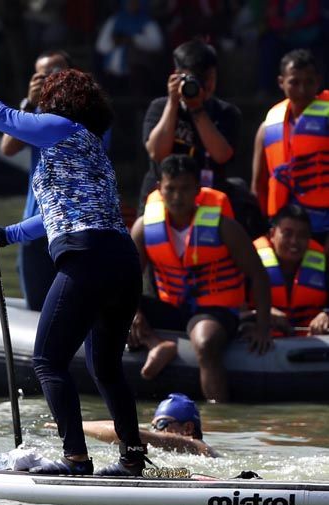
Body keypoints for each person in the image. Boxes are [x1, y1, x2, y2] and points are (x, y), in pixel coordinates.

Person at [0, 58, 149, 477]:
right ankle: (132, 459)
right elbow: (55, 213)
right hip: (124, 262)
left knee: (47, 361)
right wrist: (8, 234)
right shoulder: (93, 147)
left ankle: (76, 459)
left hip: (88, 258)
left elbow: (2, 117)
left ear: (59, 102)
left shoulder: (59, 127)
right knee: (106, 369)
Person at [129, 154, 272, 402]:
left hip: (214, 310)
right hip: (172, 307)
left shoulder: (224, 227)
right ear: (159, 189)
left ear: (198, 189)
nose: (177, 196)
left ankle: (218, 414)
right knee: (111, 309)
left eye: (185, 189)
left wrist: (263, 327)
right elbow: (125, 281)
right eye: (171, 189)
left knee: (205, 342)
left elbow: (258, 275)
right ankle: (157, 345)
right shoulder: (143, 228)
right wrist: (135, 313)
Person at [138, 39, 265, 240]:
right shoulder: (159, 108)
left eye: (207, 78)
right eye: (193, 78)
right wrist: (173, 103)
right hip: (162, 201)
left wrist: (197, 109)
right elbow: (157, 152)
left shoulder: (226, 112)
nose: (203, 85)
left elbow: (221, 155)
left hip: (209, 202)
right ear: (176, 75)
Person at [0, 50, 73, 312]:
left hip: (72, 226)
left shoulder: (90, 113)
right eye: (43, 74)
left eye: (57, 71)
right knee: (36, 306)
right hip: (35, 224)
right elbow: (8, 148)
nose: (50, 78)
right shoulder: (34, 113)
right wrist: (29, 104)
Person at [251, 49, 329, 249]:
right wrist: (263, 227)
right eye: (294, 82)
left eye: (309, 82)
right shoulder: (268, 127)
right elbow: (258, 185)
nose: (302, 89)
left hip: (323, 226)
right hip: (284, 230)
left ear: (318, 82)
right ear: (281, 82)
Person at [245, 204, 329, 336]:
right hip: (264, 342)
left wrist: (326, 314)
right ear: (272, 234)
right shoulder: (250, 259)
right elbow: (233, 311)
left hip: (313, 342)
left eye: (302, 235)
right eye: (287, 234)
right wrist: (261, 313)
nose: (294, 241)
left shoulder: (324, 261)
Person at [49, 393, 218, 457]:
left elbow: (125, 434)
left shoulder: (196, 446)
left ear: (187, 428)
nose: (155, 431)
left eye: (161, 424)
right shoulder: (186, 453)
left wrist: (72, 425)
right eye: (153, 426)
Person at [94, 0, 164, 97]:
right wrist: (115, 41)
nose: (132, 4)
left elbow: (157, 44)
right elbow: (101, 46)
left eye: (135, 2)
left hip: (134, 76)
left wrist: (133, 39)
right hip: (111, 75)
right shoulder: (114, 20)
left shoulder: (147, 22)